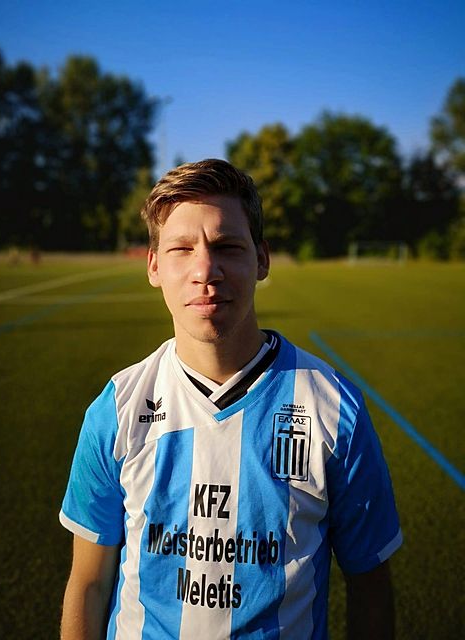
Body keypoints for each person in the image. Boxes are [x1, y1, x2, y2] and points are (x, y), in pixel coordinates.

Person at [59, 159, 402, 640]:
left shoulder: (333, 409)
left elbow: (370, 588)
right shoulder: (117, 409)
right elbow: (90, 583)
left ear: (261, 260)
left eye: (226, 247)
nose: (205, 270)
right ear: (154, 266)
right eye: (182, 249)